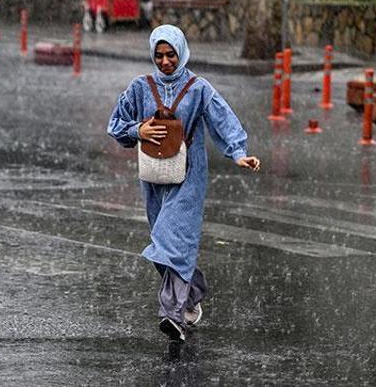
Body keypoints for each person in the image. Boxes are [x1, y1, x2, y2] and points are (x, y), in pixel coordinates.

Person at [107, 24, 261, 342]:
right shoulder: (140, 87)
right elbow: (116, 124)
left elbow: (224, 120)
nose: (165, 61)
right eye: (159, 55)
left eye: (171, 55)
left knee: (171, 240)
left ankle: (172, 314)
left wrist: (239, 154)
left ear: (182, 52)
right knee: (163, 244)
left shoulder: (198, 88)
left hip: (189, 176)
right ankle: (192, 292)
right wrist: (138, 130)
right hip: (153, 177)